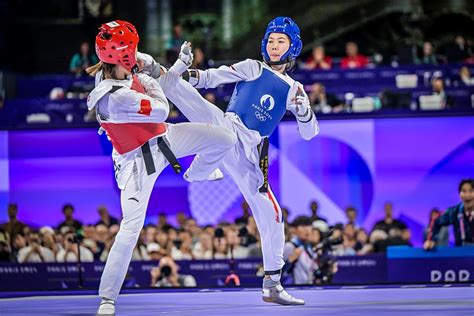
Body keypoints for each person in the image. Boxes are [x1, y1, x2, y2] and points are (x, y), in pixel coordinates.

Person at [148, 16, 319, 305]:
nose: (275, 46)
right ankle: (155, 69)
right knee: (181, 90)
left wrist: (304, 112)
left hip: (249, 154)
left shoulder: (295, 89)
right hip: (225, 126)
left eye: (282, 41)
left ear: (293, 47)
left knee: (273, 215)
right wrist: (186, 69)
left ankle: (272, 285)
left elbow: (309, 134)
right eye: (271, 40)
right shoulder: (253, 67)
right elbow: (211, 77)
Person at [87, 20, 237, 316]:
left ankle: (199, 172)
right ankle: (107, 299)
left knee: (225, 138)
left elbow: (161, 76)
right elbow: (161, 105)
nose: (136, 52)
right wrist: (149, 74)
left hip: (163, 137)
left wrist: (176, 66)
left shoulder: (128, 65)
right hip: (136, 163)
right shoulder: (115, 98)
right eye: (130, 48)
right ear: (122, 54)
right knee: (130, 229)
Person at [424, 179, 474, 249]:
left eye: (471, 191)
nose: (467, 195)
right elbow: (436, 221)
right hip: (461, 254)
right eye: (464, 191)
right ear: (459, 194)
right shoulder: (454, 211)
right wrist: (430, 240)